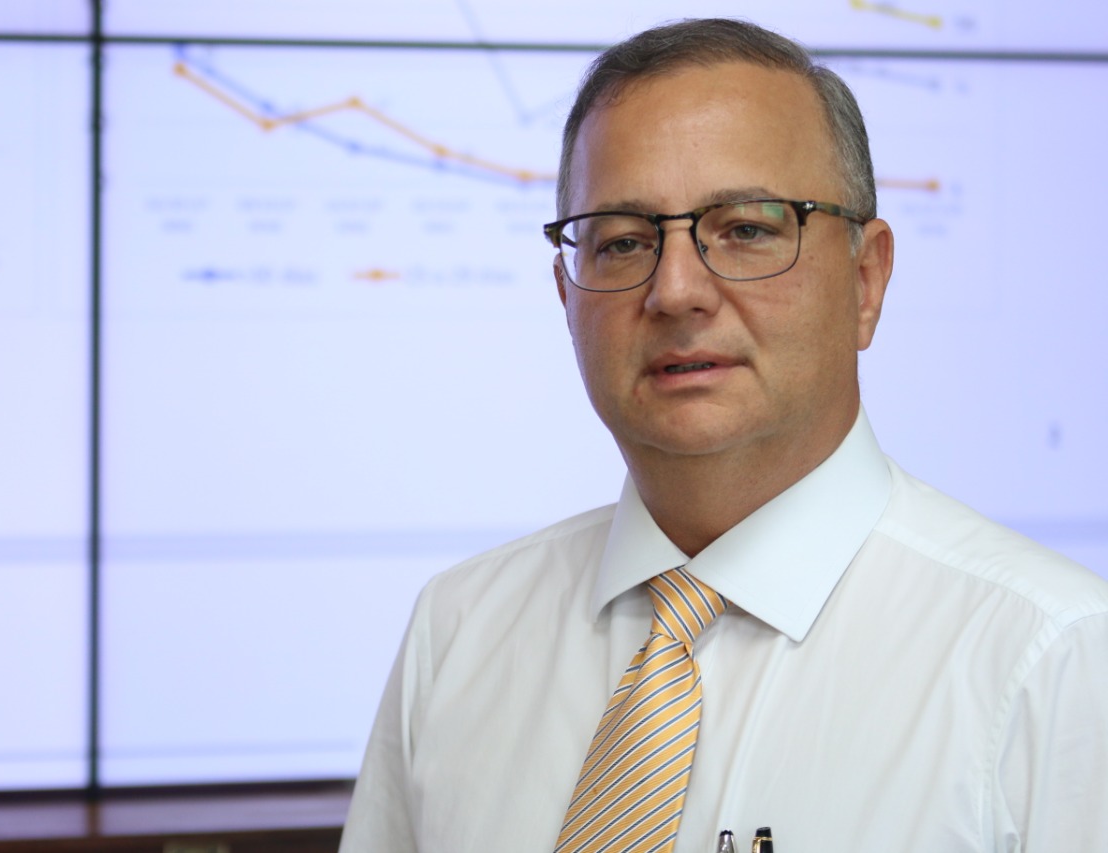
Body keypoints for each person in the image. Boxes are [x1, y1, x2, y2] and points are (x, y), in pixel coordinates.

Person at [339, 18, 1108, 853]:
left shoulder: (1052, 662)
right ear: (567, 296)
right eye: (623, 240)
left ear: (865, 280)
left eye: (746, 228)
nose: (675, 291)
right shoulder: (459, 634)